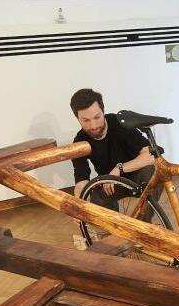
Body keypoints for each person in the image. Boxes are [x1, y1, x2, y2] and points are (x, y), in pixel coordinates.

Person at [69, 88, 162, 218]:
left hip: (137, 176)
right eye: (86, 120)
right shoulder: (79, 141)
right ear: (77, 119)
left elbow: (151, 155)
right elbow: (81, 181)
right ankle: (114, 230)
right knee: (95, 196)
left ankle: (143, 225)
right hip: (110, 185)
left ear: (103, 111)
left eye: (97, 117)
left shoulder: (119, 123)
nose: (94, 125)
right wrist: (78, 206)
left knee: (154, 174)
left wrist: (119, 168)